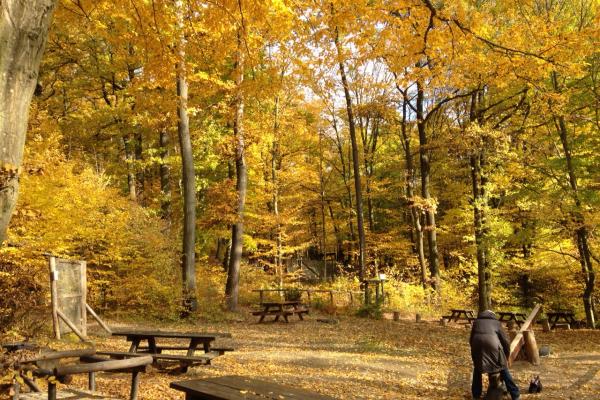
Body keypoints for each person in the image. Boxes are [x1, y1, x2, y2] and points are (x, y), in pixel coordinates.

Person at [469, 310, 520, 400]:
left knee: (477, 369)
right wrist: (506, 357)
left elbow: (471, 339)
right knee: (503, 368)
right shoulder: (496, 323)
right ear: (492, 315)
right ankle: (515, 394)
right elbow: (505, 341)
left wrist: (475, 352)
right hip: (492, 347)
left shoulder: (476, 322)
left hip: (477, 348)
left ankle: (476, 395)